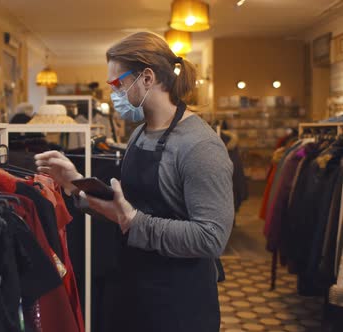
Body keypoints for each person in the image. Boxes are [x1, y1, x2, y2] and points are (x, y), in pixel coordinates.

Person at [34, 32, 234, 332]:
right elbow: (124, 207)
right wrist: (75, 184)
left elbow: (211, 237)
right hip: (131, 286)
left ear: (147, 78)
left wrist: (133, 221)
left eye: (117, 84)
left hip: (178, 302)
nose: (113, 93)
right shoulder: (140, 133)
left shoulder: (200, 146)